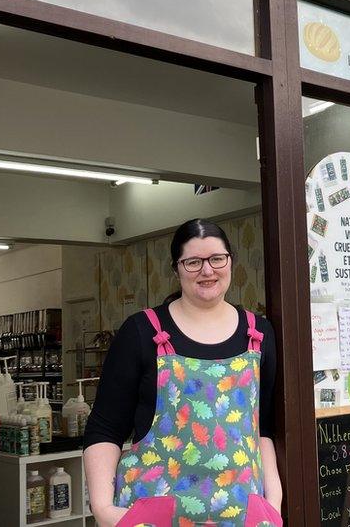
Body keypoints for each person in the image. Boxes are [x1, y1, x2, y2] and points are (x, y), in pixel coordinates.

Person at [84, 218, 282, 526]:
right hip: (153, 516)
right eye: (193, 262)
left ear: (230, 261)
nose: (207, 270)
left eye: (217, 258)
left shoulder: (258, 333)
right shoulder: (142, 332)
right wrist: (103, 508)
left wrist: (273, 504)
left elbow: (263, 429)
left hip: (242, 515)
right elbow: (105, 428)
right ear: (176, 268)